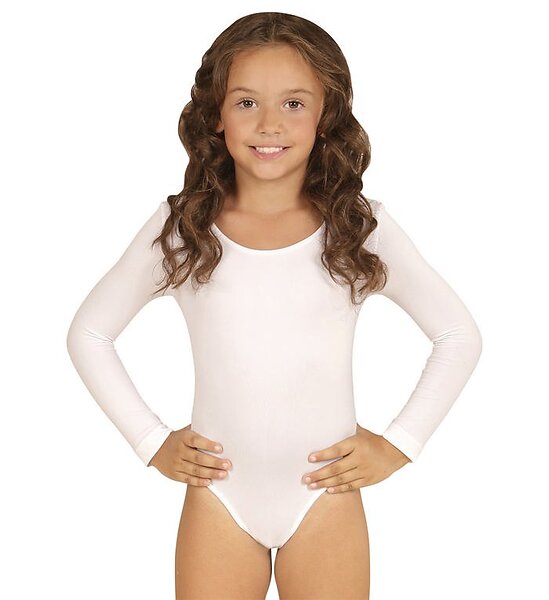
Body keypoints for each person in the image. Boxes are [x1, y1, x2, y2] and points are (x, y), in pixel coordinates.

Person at [66, 11, 482, 600]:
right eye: (245, 102)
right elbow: (89, 334)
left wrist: (399, 445)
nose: (269, 124)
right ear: (216, 114)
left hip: (324, 496)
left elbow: (457, 335)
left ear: (325, 114)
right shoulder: (184, 229)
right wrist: (150, 441)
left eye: (293, 103)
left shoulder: (357, 228)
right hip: (220, 497)